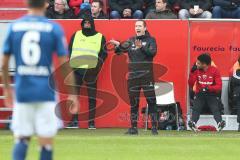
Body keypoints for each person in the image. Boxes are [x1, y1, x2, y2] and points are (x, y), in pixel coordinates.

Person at [1, 0, 78, 160]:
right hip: (46, 92)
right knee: (46, 141)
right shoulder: (53, 28)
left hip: (23, 92)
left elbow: (4, 62)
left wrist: (8, 89)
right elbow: (64, 64)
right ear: (45, 4)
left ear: (26, 3)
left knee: (22, 139)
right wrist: (72, 94)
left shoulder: (14, 27)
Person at [110, 20, 158, 135]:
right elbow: (118, 52)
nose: (137, 28)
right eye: (136, 26)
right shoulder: (131, 40)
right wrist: (118, 45)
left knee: (151, 101)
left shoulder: (151, 40)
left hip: (147, 76)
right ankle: (133, 128)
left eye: (140, 26)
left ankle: (154, 128)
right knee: (134, 103)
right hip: (133, 77)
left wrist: (141, 47)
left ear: (145, 28)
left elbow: (152, 53)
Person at [68, 16, 107, 129]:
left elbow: (104, 54)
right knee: (74, 96)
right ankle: (74, 121)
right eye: (84, 23)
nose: (86, 24)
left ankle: (91, 122)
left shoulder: (100, 37)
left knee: (92, 98)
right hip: (76, 69)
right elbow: (69, 50)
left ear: (92, 24)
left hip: (91, 71)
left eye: (88, 23)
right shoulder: (76, 35)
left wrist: (97, 66)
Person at [188, 53, 225, 132]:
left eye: (198, 63)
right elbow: (191, 84)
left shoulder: (215, 70)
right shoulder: (196, 70)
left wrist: (208, 88)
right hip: (200, 94)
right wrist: (192, 73)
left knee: (215, 108)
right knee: (196, 108)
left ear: (204, 64)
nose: (196, 64)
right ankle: (193, 123)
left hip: (211, 94)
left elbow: (219, 86)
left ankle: (220, 123)